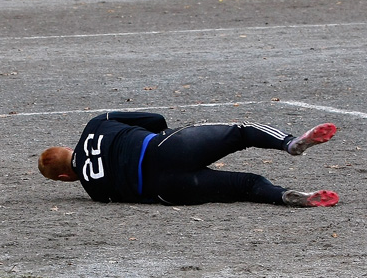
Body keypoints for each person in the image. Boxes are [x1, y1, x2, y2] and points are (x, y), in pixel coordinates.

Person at [38, 111, 339, 207]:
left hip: (167, 188)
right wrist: (167, 134)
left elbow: (134, 198)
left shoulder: (94, 192)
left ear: (66, 178)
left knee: (246, 185)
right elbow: (155, 118)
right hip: (165, 148)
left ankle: (283, 196)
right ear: (67, 146)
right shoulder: (96, 123)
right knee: (241, 133)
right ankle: (289, 143)